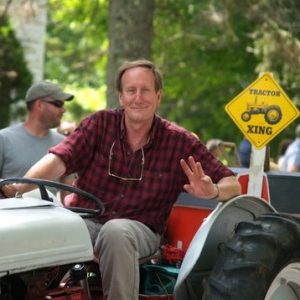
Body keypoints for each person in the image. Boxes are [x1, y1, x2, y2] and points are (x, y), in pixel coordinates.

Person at [2, 60, 241, 300]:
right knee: (40, 228)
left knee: (116, 231)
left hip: (139, 229)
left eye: (145, 90)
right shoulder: (99, 124)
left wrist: (212, 192)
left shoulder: (179, 141)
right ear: (121, 96)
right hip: (86, 220)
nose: (138, 97)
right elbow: (59, 160)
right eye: (131, 90)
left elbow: (233, 184)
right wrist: (18, 188)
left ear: (158, 96)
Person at [0, 80, 75, 199]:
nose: (63, 110)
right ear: (39, 105)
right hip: (12, 215)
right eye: (58, 104)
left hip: (52, 216)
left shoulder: (65, 144)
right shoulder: (4, 138)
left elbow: (69, 197)